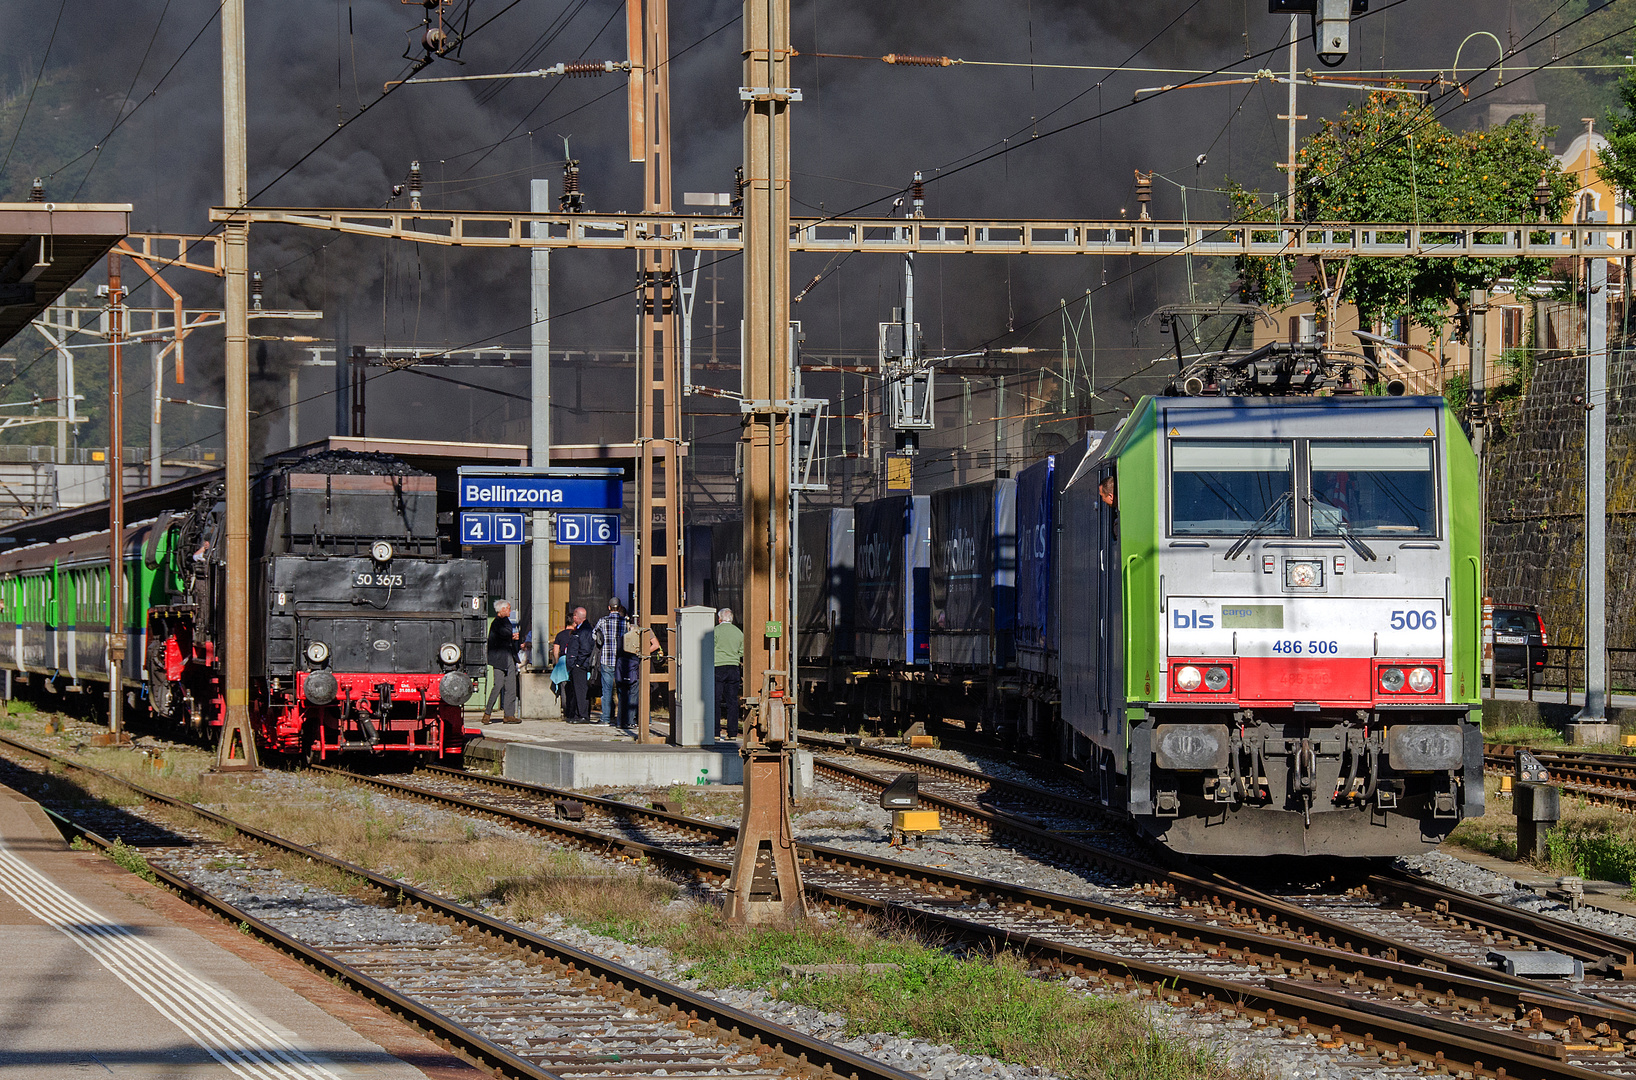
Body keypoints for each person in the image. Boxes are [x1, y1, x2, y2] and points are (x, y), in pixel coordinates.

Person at [593, 598, 631, 729]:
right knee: (622, 690)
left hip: (606, 659)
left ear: (609, 608)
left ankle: (605, 718)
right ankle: (621, 719)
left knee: (607, 690)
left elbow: (594, 636)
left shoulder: (603, 621)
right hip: (621, 660)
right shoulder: (625, 622)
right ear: (619, 607)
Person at [483, 600, 521, 724]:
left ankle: (509, 715)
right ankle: (487, 712)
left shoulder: (505, 621)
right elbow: (503, 633)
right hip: (499, 658)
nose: (510, 611)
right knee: (498, 685)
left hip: (509, 656)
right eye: (509, 608)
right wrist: (512, 635)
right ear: (503, 609)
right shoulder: (497, 623)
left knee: (511, 686)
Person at [713, 607, 744, 738]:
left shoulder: (715, 631)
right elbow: (742, 652)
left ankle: (715, 732)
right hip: (733, 668)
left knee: (715, 701)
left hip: (718, 667)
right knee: (732, 702)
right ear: (731, 619)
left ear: (719, 619)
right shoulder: (739, 633)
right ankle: (732, 733)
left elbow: (709, 648)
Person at [563, 606, 596, 723]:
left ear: (577, 617)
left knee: (581, 691)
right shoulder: (581, 629)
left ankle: (583, 715)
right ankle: (577, 714)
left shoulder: (585, 630)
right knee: (576, 690)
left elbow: (586, 649)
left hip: (580, 666)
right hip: (577, 664)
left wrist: (578, 663)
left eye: (574, 616)